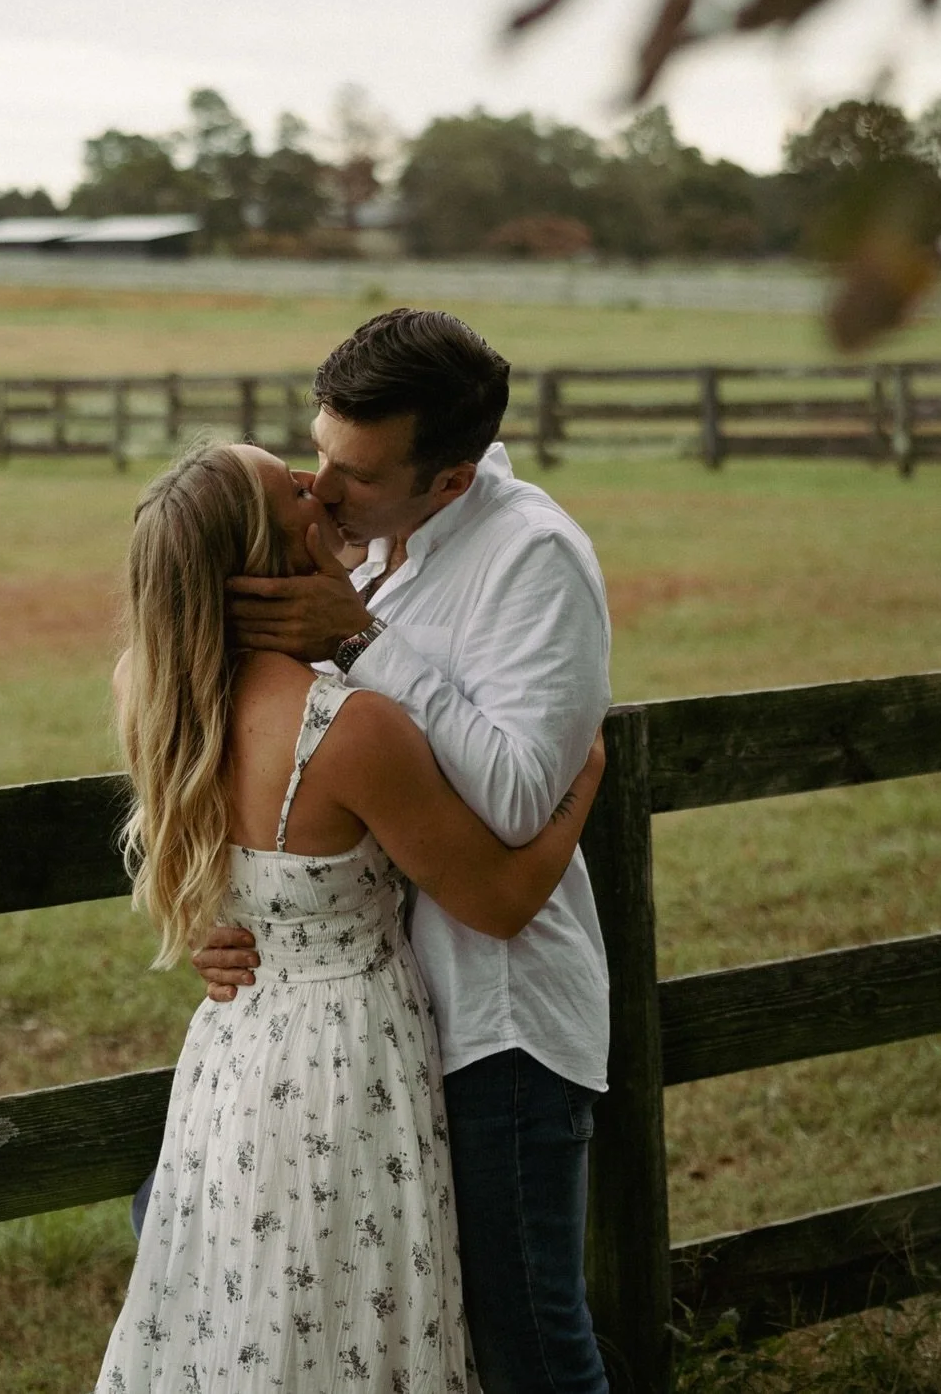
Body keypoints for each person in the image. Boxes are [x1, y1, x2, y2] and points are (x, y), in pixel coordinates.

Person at [93, 440, 605, 1393]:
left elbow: (204, 853)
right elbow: (494, 897)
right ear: (265, 546)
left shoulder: (149, 688)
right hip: (350, 1063)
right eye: (292, 483)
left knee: (247, 1307)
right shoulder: (350, 728)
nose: (316, 480)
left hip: (236, 1053)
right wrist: (583, 781)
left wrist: (213, 916)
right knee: (362, 1321)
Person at [202, 308, 613, 1394]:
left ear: (450, 479)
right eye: (320, 455)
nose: (322, 491)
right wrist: (244, 924)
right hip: (364, 1035)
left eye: (357, 474)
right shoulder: (372, 545)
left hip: (495, 1024)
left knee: (524, 1332)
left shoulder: (533, 559)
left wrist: (356, 638)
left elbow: (524, 798)